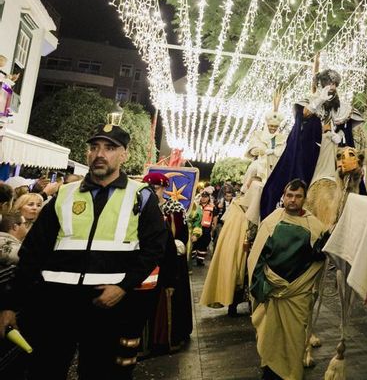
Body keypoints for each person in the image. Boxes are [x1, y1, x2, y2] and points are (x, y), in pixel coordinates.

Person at [0, 123, 166, 378]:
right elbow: (33, 253)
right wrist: (11, 305)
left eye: (110, 148)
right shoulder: (64, 195)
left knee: (99, 373)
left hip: (106, 305)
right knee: (44, 371)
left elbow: (154, 249)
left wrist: (123, 286)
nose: (100, 153)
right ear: (88, 153)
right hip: (54, 304)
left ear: (124, 155)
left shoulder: (140, 196)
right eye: (94, 147)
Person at [247, 179, 328, 380]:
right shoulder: (271, 222)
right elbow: (257, 259)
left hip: (298, 295)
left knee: (295, 341)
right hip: (272, 293)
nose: (293, 200)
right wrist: (262, 289)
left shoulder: (314, 226)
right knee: (270, 339)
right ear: (283, 197)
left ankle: (292, 375)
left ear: (304, 198)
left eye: (298, 196)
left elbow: (320, 256)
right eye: (289, 196)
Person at [260, 69, 362, 220]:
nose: (332, 87)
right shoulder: (311, 101)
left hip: (332, 152)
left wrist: (339, 137)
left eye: (335, 84)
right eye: (328, 83)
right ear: (321, 85)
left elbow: (345, 130)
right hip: (311, 153)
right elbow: (305, 116)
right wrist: (320, 99)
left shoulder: (342, 107)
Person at [140, 172, 192, 354]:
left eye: (155, 188)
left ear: (163, 188)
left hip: (169, 259)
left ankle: (168, 336)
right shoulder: (140, 207)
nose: (152, 192)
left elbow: (181, 237)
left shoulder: (174, 208)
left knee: (169, 297)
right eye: (148, 189)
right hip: (147, 260)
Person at [201, 181, 261, 316]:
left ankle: (253, 307)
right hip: (238, 249)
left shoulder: (261, 206)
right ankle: (232, 306)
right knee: (236, 277)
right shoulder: (237, 206)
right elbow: (233, 230)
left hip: (254, 251)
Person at [247, 109, 288, 178]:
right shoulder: (258, 134)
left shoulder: (283, 138)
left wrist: (275, 152)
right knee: (252, 169)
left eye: (276, 126)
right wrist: (262, 151)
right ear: (267, 125)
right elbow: (252, 151)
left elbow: (285, 152)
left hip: (276, 164)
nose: (273, 128)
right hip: (260, 162)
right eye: (271, 126)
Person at [189, 189, 215, 266]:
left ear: (208, 198)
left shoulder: (212, 207)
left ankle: (200, 261)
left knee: (203, 245)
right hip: (196, 227)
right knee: (194, 244)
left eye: (205, 197)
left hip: (206, 229)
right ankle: (192, 258)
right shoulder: (195, 206)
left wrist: (214, 227)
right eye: (202, 197)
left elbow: (215, 217)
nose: (203, 198)